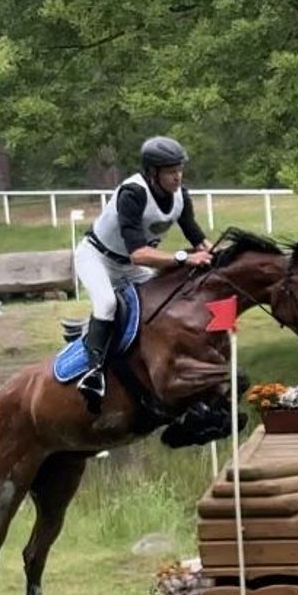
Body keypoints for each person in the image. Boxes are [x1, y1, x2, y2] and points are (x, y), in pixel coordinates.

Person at [73, 136, 214, 407]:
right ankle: (94, 373)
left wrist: (216, 255)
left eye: (180, 170)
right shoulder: (133, 194)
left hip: (129, 265)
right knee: (107, 304)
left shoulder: (180, 196)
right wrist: (185, 258)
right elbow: (139, 254)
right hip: (97, 258)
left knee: (164, 302)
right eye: (171, 172)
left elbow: (196, 236)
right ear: (152, 173)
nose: (178, 177)